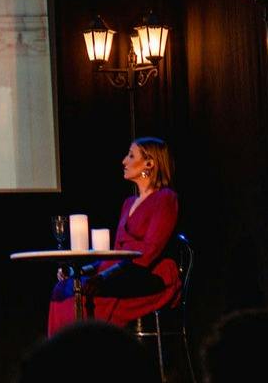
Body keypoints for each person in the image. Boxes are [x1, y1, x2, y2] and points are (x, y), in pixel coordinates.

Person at [47, 136, 181, 334]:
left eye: (131, 155)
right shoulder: (128, 203)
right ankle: (61, 356)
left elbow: (150, 252)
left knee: (85, 296)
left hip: (148, 277)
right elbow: (115, 253)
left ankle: (90, 354)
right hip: (118, 272)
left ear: (149, 163)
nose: (124, 161)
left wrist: (104, 278)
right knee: (62, 290)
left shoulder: (165, 199)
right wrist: (81, 270)